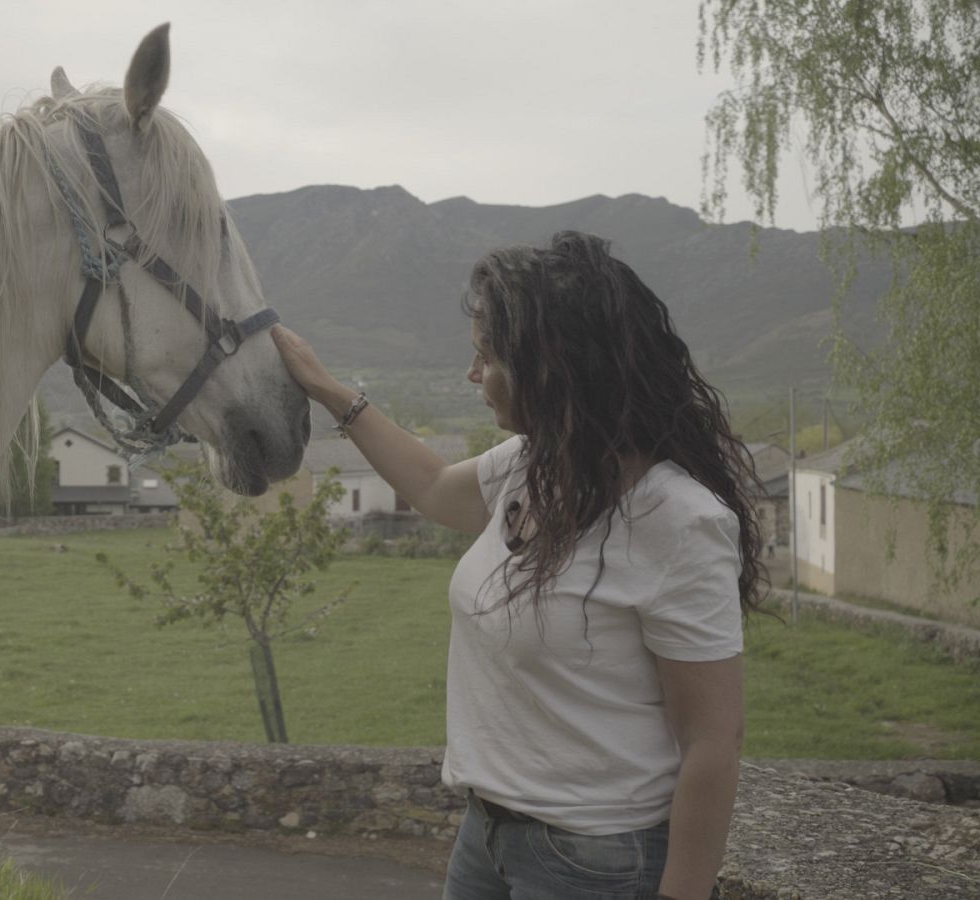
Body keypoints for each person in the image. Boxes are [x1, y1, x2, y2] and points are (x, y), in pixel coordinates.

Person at [270, 231, 761, 900]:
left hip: (596, 861)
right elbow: (435, 486)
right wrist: (331, 393)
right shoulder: (536, 464)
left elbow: (712, 740)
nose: (472, 376)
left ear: (552, 367)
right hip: (488, 837)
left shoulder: (676, 520)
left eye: (486, 357)